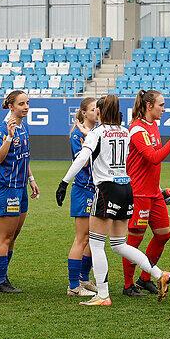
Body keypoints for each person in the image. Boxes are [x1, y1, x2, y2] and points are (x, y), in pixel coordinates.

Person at [56, 94, 170, 306]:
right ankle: (158, 273)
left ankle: (103, 294)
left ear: (99, 112)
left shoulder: (98, 132)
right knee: (119, 244)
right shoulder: (125, 131)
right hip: (126, 188)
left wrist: (64, 182)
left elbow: (83, 158)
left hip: (106, 189)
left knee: (96, 243)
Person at [123, 90, 170, 297]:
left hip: (153, 193)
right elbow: (153, 158)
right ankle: (128, 285)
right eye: (161, 105)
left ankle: (145, 278)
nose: (164, 108)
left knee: (163, 235)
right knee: (134, 241)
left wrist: (160, 189)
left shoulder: (153, 126)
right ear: (149, 106)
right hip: (138, 193)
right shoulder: (137, 129)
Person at [0, 90, 40, 293]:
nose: (26, 107)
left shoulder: (24, 126)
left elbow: (25, 157)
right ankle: (1, 282)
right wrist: (9, 139)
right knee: (5, 236)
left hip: (20, 188)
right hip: (7, 188)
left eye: (27, 103)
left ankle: (0, 275)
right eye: (21, 103)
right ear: (11, 106)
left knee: (13, 235)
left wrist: (31, 179)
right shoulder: (2, 129)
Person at [67, 97, 99, 297]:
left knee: (94, 238)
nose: (97, 111)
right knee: (82, 238)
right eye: (93, 109)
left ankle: (84, 278)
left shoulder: (96, 132)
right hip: (83, 189)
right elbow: (85, 163)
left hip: (96, 190)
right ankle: (73, 285)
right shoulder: (78, 135)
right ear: (84, 113)